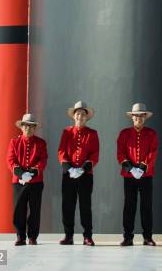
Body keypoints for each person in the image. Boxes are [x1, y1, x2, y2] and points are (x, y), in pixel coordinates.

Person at [58, 100, 100, 246]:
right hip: (68, 175)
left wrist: (82, 169)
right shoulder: (67, 132)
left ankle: (87, 236)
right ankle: (68, 235)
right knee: (67, 205)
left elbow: (95, 154)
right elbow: (62, 152)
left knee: (85, 206)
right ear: (73, 116)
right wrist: (69, 168)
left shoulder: (92, 133)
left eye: (83, 114)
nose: (80, 117)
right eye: (78, 114)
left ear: (86, 117)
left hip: (85, 175)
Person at [116, 102, 159, 246]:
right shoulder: (124, 133)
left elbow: (153, 152)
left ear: (145, 117)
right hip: (129, 176)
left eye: (141, 116)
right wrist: (131, 169)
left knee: (146, 206)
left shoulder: (151, 133)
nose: (138, 118)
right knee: (129, 206)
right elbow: (120, 153)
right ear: (132, 117)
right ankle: (128, 237)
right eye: (136, 116)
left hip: (146, 175)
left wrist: (142, 168)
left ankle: (147, 237)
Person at [6, 113, 48, 246]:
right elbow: (10, 159)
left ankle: (32, 237)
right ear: (21, 127)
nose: (28, 128)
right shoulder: (14, 142)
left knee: (35, 210)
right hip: (18, 182)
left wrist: (31, 173)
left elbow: (43, 160)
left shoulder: (41, 143)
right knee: (19, 210)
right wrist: (20, 174)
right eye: (25, 126)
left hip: (36, 182)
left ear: (34, 128)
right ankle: (20, 236)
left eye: (31, 126)